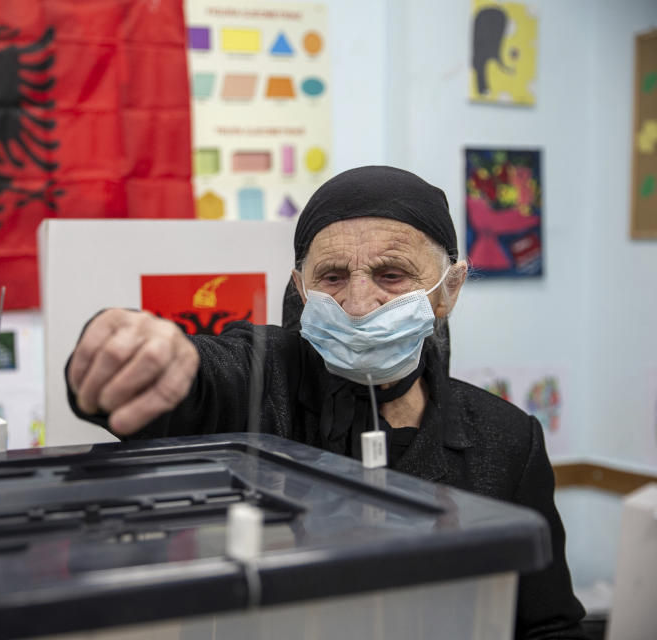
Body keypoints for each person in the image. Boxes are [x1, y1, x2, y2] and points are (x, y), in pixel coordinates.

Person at [65, 166, 586, 639]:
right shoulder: (257, 378)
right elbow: (192, 379)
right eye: (332, 278)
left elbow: (547, 622)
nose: (359, 306)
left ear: (449, 288)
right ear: (300, 286)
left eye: (392, 275)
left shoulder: (508, 439)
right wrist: (137, 356)